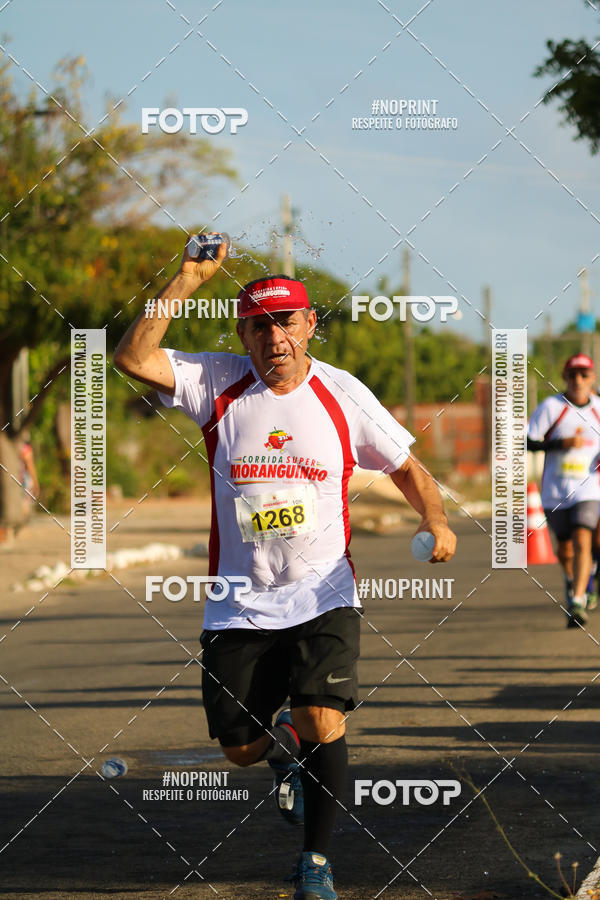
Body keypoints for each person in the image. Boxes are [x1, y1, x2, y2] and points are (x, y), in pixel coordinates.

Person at [114, 235, 457, 899]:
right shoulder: (215, 381)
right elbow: (132, 356)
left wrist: (434, 518)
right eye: (259, 326)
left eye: (287, 322)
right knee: (237, 747)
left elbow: (408, 469)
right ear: (242, 333)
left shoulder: (343, 394)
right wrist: (185, 279)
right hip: (238, 600)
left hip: (323, 591)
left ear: (310, 326)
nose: (275, 338)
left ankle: (315, 865)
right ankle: (280, 758)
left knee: (323, 717)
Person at [527, 353, 600, 627]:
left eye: (584, 375)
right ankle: (574, 581)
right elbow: (530, 442)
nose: (578, 380)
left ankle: (578, 600)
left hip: (589, 488)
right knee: (566, 549)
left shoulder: (598, 408)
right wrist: (560, 444)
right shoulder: (551, 407)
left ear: (592, 378)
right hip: (555, 491)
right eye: (573, 375)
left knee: (584, 538)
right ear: (564, 378)